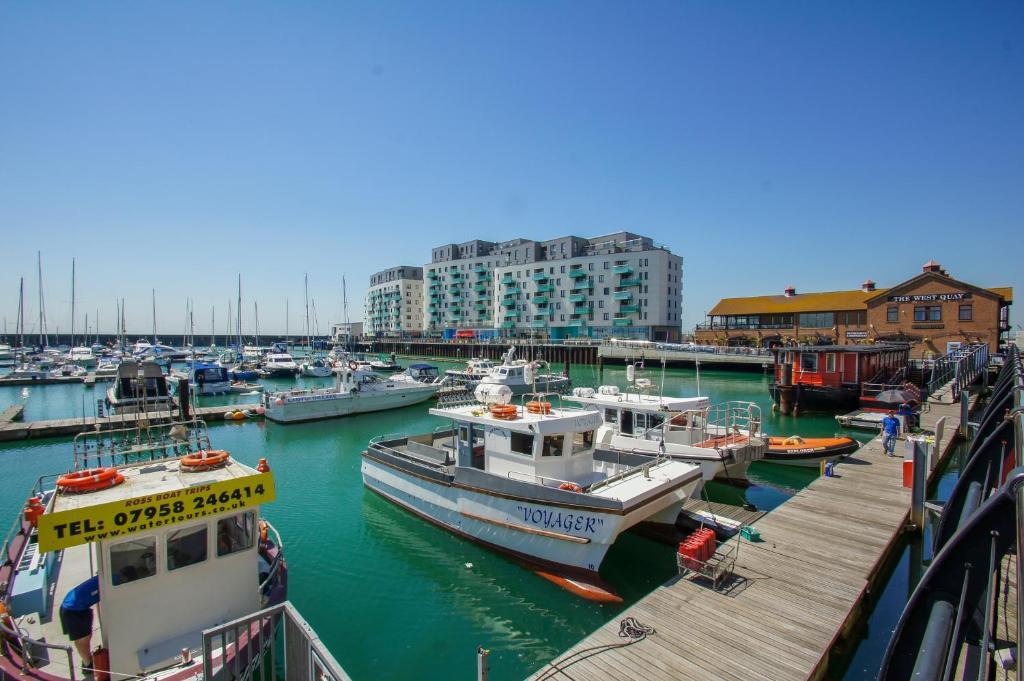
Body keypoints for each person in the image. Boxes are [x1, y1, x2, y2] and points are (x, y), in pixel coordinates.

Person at [59, 575, 100, 675]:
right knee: (83, 640)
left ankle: (87, 660)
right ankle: (87, 665)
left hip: (76, 606)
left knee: (86, 636)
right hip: (73, 610)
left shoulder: (105, 577)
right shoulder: (112, 581)